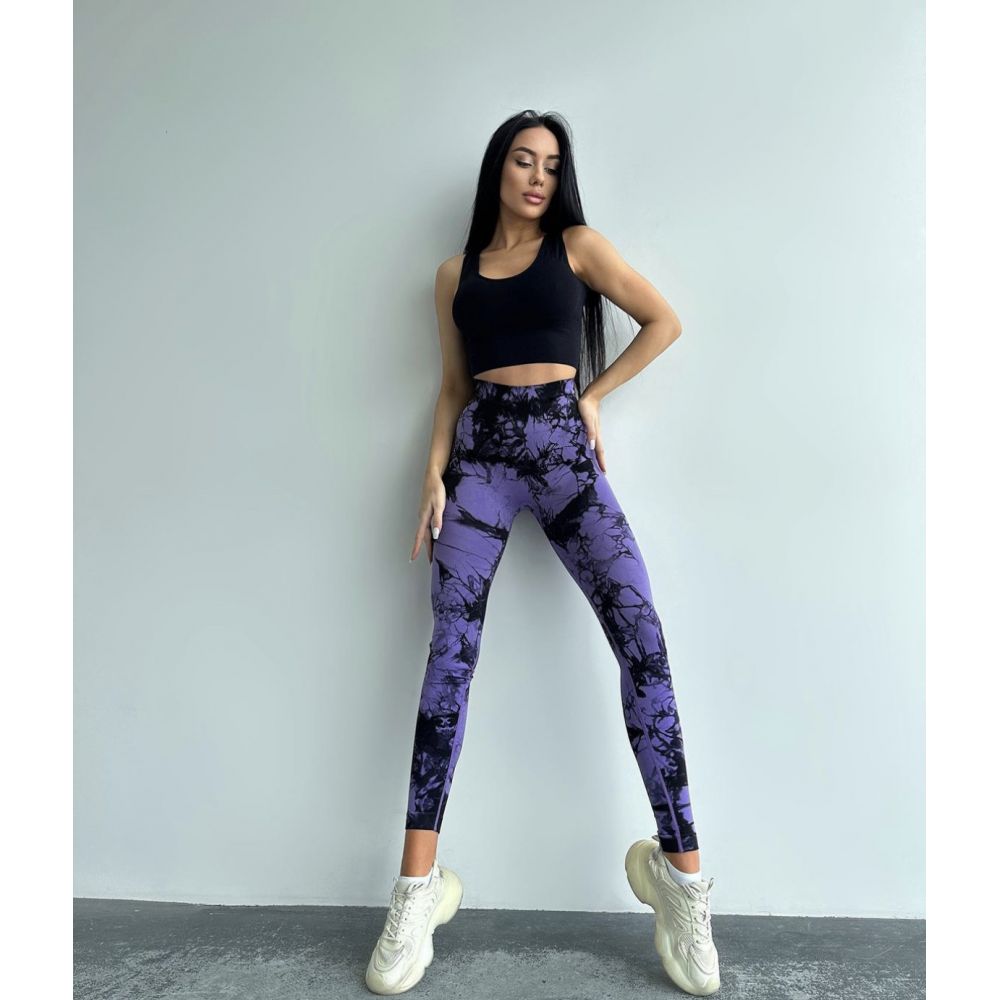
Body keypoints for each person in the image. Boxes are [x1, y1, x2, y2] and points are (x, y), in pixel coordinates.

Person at [365, 110, 720, 997]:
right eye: (523, 160)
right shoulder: (453, 276)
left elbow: (663, 321)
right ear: (498, 169)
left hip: (564, 456)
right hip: (480, 465)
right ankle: (415, 892)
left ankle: (680, 882)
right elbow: (452, 386)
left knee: (645, 646)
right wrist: (432, 473)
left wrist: (593, 398)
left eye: (552, 165)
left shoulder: (578, 247)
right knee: (449, 661)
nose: (537, 177)